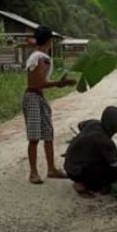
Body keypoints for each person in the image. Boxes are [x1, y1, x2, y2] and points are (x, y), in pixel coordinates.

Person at [23, 25, 76, 184]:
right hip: (34, 96)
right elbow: (40, 82)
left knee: (47, 134)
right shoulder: (42, 58)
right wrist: (60, 83)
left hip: (36, 96)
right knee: (35, 137)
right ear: (50, 41)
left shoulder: (37, 56)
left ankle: (51, 169)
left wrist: (58, 84)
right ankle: (34, 172)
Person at [64, 106, 117, 198]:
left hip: (69, 164)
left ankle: (83, 180)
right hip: (76, 171)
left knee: (105, 162)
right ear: (115, 125)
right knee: (113, 173)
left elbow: (80, 125)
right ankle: (82, 185)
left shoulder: (93, 123)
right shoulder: (105, 142)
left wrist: (84, 142)